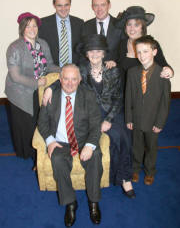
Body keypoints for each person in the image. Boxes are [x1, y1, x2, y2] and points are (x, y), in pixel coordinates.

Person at [43, 35, 135, 199]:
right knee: (108, 138)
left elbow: (118, 98)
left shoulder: (113, 70)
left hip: (111, 111)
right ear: (86, 54)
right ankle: (114, 174)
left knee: (123, 135)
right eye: (91, 51)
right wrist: (50, 87)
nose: (94, 54)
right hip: (89, 111)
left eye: (98, 51)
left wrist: (108, 119)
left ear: (104, 53)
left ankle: (125, 178)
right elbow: (66, 79)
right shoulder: (82, 69)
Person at [37, 64, 103, 227]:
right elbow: (42, 122)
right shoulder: (51, 95)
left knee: (95, 157)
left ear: (80, 80)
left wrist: (90, 144)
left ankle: (93, 201)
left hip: (83, 140)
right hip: (60, 142)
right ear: (60, 80)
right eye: (66, 78)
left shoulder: (88, 95)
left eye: (74, 79)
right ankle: (70, 202)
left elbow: (96, 124)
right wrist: (50, 141)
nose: (69, 83)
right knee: (57, 160)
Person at [5, 12, 59, 168]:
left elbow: (48, 65)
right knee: (26, 124)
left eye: (34, 25)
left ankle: (39, 150)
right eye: (28, 26)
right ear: (22, 28)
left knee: (39, 120)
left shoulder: (42, 43)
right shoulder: (15, 47)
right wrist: (37, 82)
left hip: (39, 89)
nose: (31, 29)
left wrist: (63, 69)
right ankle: (28, 153)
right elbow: (15, 76)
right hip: (19, 92)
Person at [125, 35, 171, 185]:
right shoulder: (132, 72)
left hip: (153, 120)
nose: (142, 56)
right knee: (136, 145)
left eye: (145, 51)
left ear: (154, 52)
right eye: (139, 52)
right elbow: (128, 98)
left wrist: (160, 123)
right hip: (137, 118)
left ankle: (150, 171)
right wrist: (129, 118)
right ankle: (136, 168)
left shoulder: (162, 74)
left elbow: (165, 102)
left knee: (152, 147)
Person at [117, 6, 174, 79]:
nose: (132, 29)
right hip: (125, 90)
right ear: (125, 27)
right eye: (129, 24)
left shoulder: (151, 44)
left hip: (147, 89)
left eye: (136, 25)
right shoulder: (121, 44)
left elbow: (163, 65)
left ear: (142, 27)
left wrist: (169, 71)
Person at [38, 0, 84, 66]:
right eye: (59, 5)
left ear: (70, 5)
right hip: (52, 72)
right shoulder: (43, 24)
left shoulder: (79, 23)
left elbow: (82, 49)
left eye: (66, 5)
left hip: (74, 72)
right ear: (54, 5)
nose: (63, 9)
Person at [83, 0, 122, 68]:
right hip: (92, 74)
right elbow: (83, 52)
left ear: (109, 5)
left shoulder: (119, 25)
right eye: (96, 5)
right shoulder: (85, 26)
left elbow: (124, 51)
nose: (99, 9)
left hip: (115, 73)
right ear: (92, 7)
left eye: (103, 5)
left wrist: (115, 63)